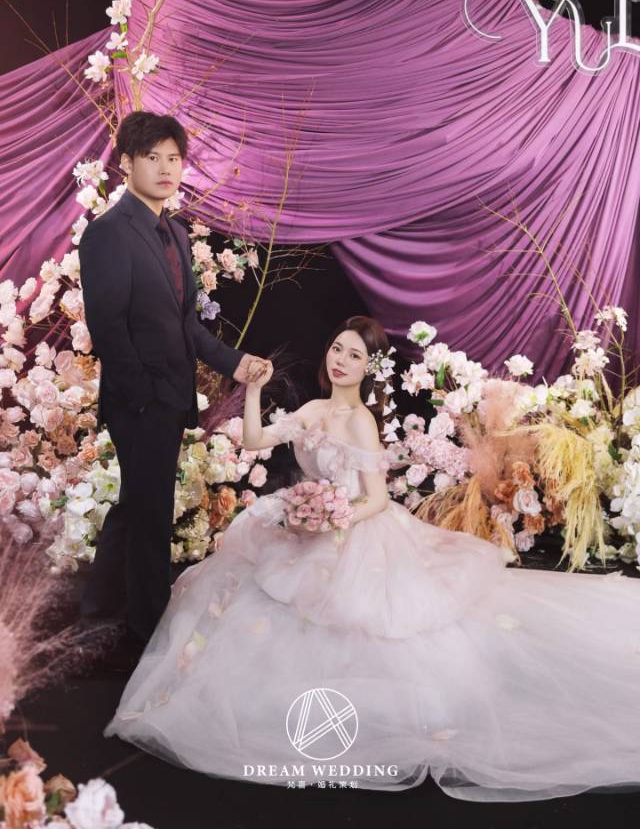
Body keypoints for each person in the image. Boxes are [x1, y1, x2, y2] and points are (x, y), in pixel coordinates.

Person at [105, 316, 640, 801]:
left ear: (368, 367)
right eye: (337, 349)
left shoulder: (360, 420)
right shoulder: (315, 409)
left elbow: (377, 499)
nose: (341, 360)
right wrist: (254, 390)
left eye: (354, 355)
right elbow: (253, 439)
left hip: (354, 529)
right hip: (308, 523)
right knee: (243, 592)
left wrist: (330, 519)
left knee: (364, 616)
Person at [78, 110, 269, 657]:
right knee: (152, 512)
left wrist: (235, 363)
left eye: (174, 158)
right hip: (139, 402)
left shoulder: (177, 234)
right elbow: (109, 329)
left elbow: (187, 326)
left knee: (138, 505)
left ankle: (97, 615)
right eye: (152, 157)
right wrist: (143, 398)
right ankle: (147, 636)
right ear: (126, 163)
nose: (165, 168)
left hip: (168, 398)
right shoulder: (108, 234)